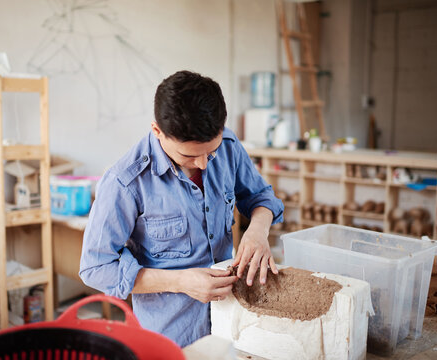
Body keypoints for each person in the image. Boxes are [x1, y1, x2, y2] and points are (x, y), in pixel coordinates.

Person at [79, 70, 284, 347]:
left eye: (210, 152)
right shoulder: (125, 182)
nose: (203, 164)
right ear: (157, 131)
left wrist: (258, 229)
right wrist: (180, 282)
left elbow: (261, 196)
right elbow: (96, 267)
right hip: (170, 335)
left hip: (231, 321)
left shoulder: (228, 145)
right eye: (188, 155)